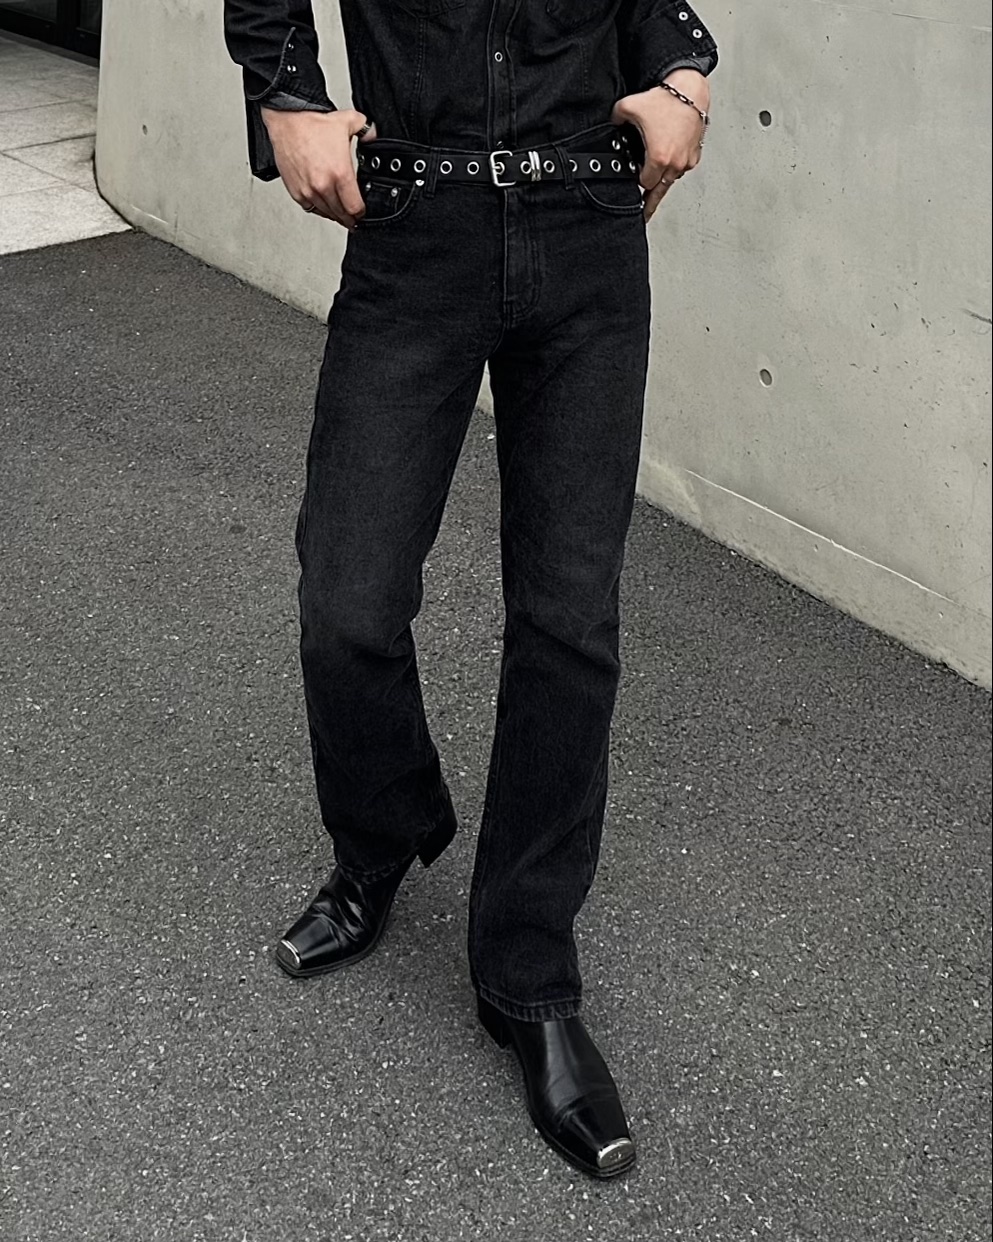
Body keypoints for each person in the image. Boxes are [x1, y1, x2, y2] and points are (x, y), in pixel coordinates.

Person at [223, 0, 717, 1180]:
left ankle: (527, 973)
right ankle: (382, 836)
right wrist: (285, 91)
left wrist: (685, 74)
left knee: (568, 622)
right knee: (347, 601)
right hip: (415, 219)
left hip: (587, 220)